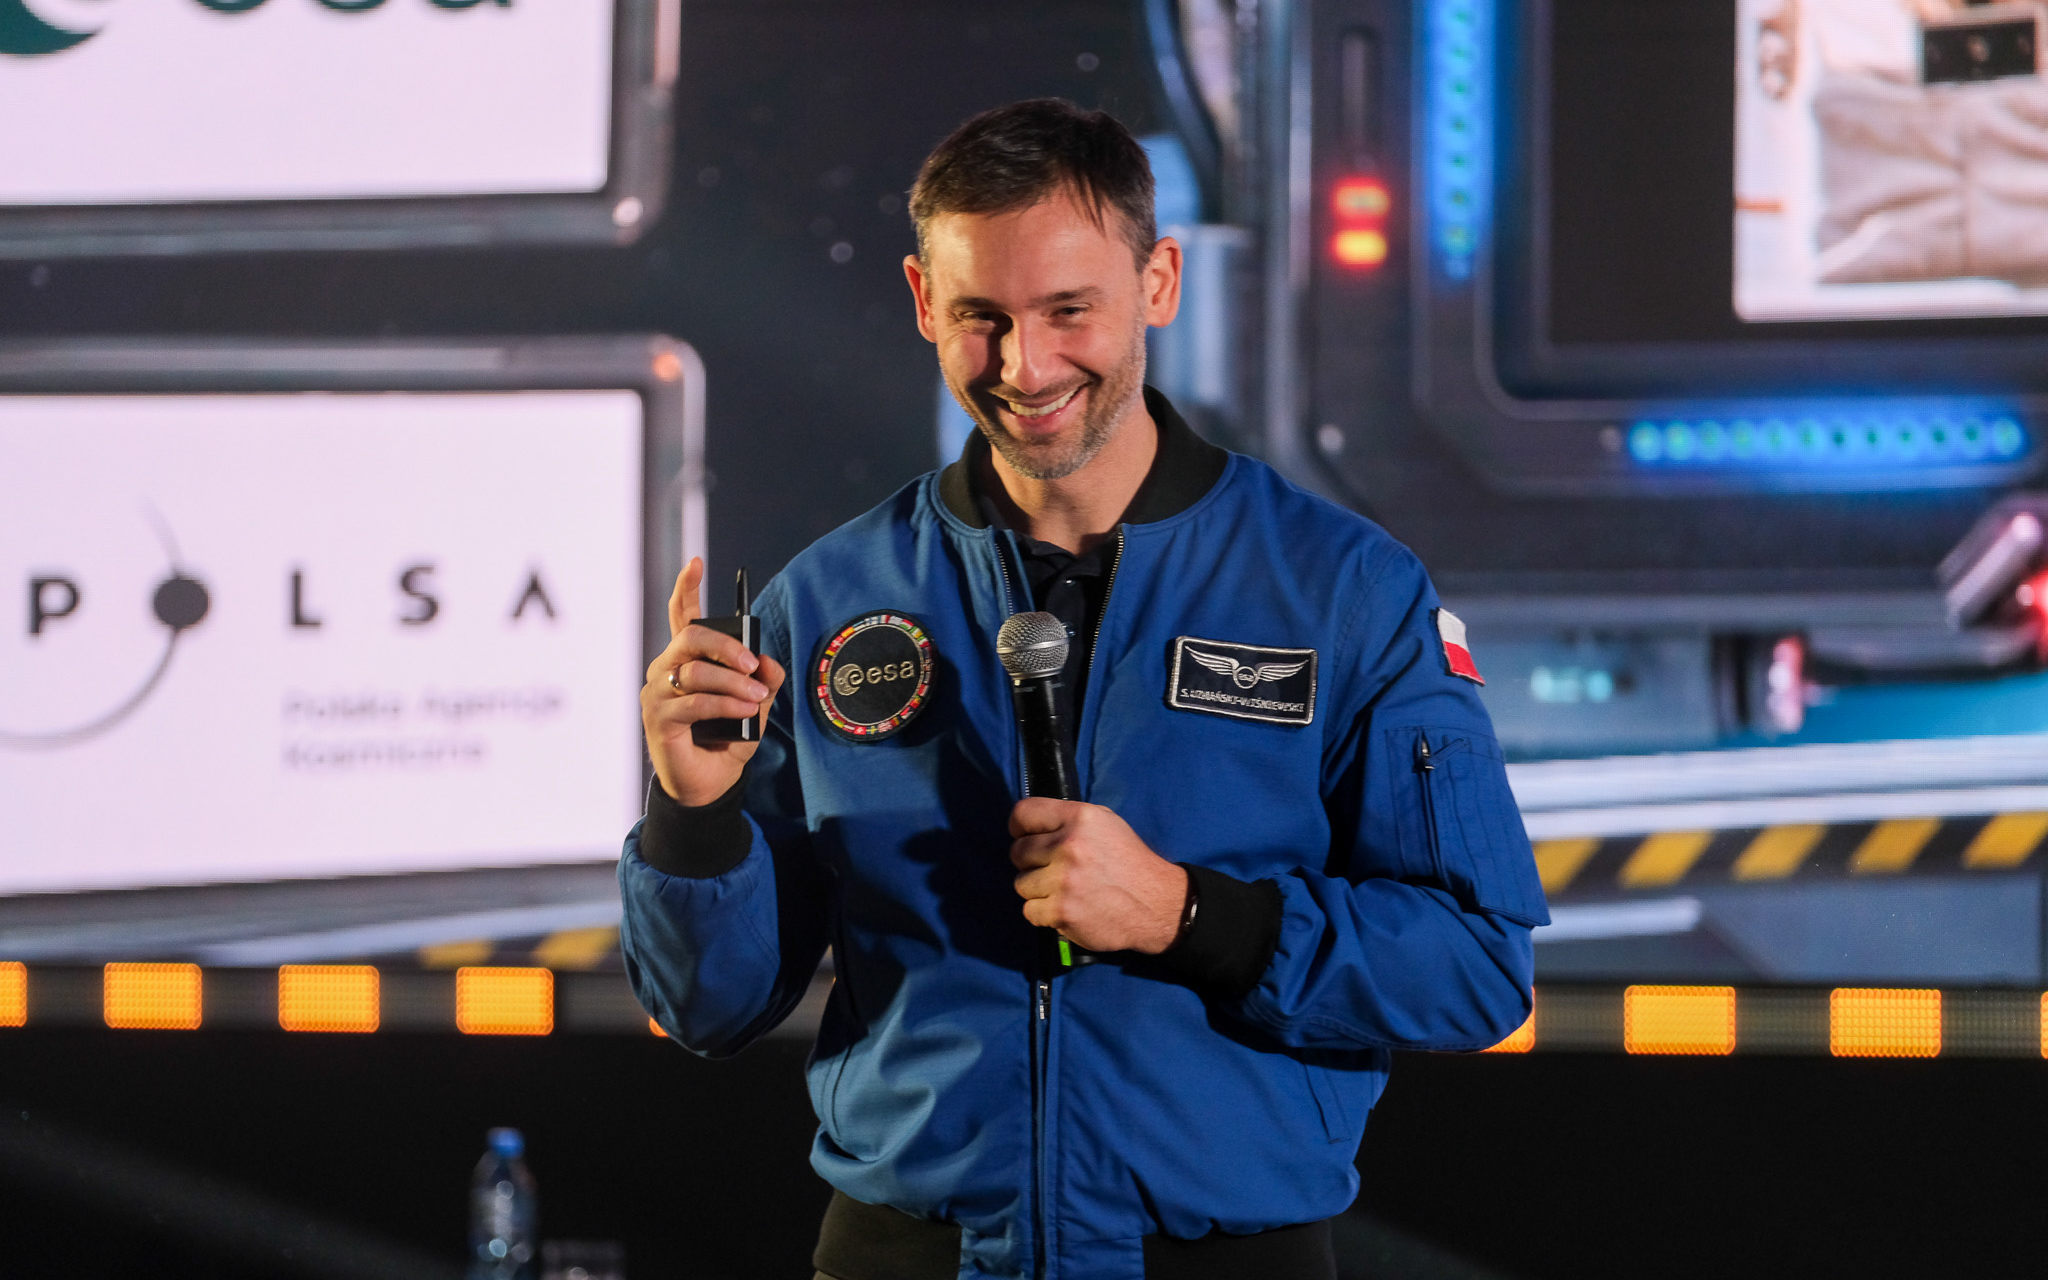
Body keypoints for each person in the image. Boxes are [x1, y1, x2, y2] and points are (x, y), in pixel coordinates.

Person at [619, 98, 1547, 1280]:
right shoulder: (832, 597)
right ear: (921, 301)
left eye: (1068, 309)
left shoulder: (1339, 588)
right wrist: (692, 813)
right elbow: (708, 1006)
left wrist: (1184, 913)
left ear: (1158, 281)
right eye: (981, 317)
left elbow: (1473, 967)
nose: (1025, 366)